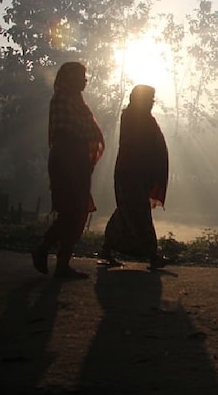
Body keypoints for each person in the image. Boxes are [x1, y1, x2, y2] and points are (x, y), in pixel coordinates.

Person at [32, 61, 105, 279]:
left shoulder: (76, 101)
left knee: (77, 210)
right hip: (67, 158)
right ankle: (45, 248)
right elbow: (74, 130)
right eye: (82, 76)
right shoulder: (63, 99)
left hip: (76, 159)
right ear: (71, 78)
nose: (85, 80)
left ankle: (60, 261)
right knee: (72, 209)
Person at [98, 84, 169, 269]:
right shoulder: (135, 118)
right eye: (150, 99)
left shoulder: (141, 118)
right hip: (131, 172)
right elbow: (143, 145)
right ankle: (152, 255)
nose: (152, 103)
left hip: (137, 173)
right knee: (138, 212)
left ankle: (107, 249)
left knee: (126, 211)